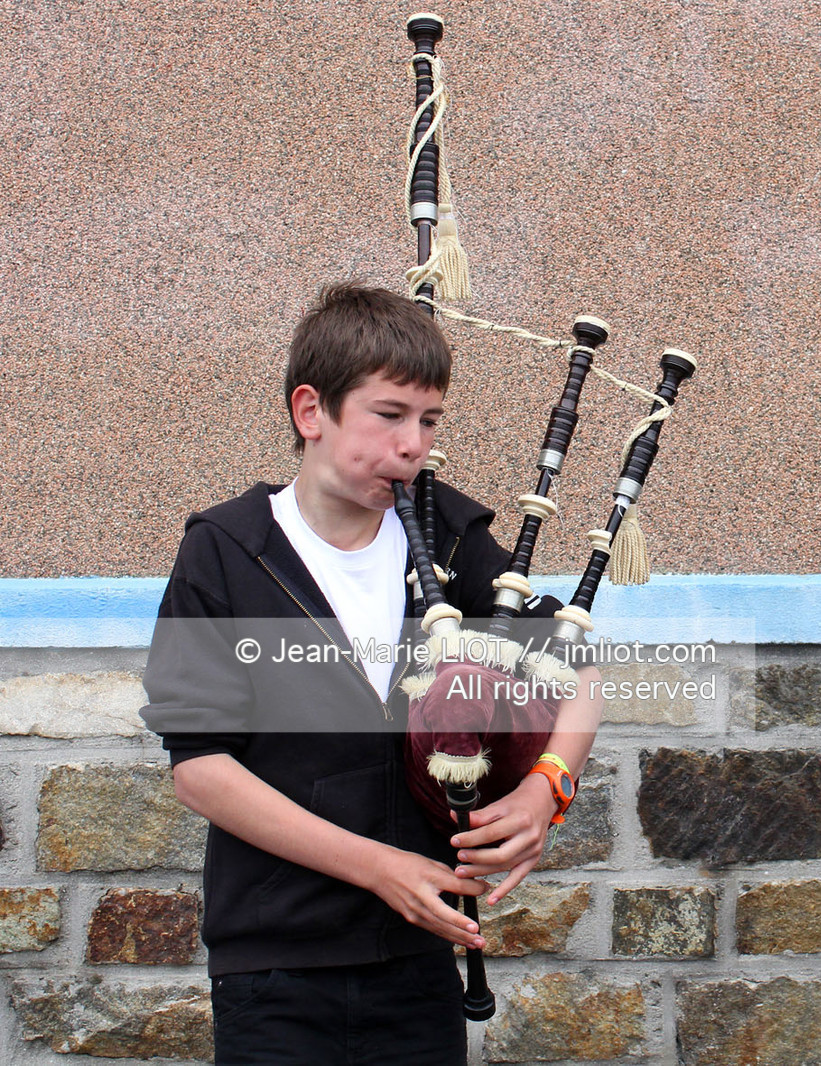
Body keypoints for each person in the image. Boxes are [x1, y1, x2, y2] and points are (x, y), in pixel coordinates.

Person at [140, 282, 601, 1065]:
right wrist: (380, 868)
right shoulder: (226, 548)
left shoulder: (449, 537)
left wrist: (545, 786)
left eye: (429, 421)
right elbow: (202, 769)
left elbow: (579, 665)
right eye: (389, 416)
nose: (414, 444)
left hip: (416, 962)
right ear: (310, 411)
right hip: (275, 959)